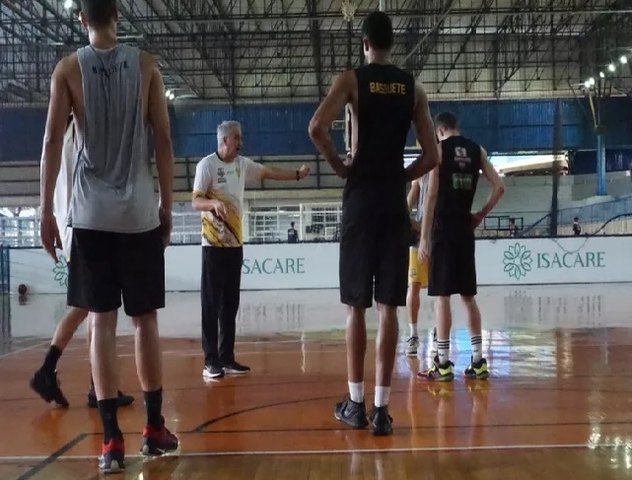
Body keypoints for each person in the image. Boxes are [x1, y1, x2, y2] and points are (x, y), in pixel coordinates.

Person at [38, 0, 179, 472]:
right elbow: (162, 138)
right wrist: (166, 205)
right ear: (118, 12)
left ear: (82, 18)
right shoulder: (145, 65)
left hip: (91, 218)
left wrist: (44, 211)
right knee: (145, 322)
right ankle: (154, 428)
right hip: (138, 215)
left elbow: (53, 142)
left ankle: (110, 442)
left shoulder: (67, 71)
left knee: (101, 323)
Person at [308, 10, 438, 436]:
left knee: (356, 308)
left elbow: (316, 127)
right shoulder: (412, 86)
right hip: (391, 202)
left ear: (364, 43)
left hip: (361, 199)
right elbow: (432, 156)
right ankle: (382, 410)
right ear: (391, 44)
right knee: (389, 308)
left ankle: (356, 403)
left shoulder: (351, 80)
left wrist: (341, 165)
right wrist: (402, 176)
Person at [31, 115, 134, 410]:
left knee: (91, 309)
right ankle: (47, 370)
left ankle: (97, 385)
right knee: (89, 307)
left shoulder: (62, 138)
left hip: (71, 226)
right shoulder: (81, 132)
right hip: (84, 226)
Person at [192, 120, 310, 379]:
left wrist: (297, 174)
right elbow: (195, 200)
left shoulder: (242, 165)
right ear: (224, 140)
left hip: (235, 246)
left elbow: (268, 172)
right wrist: (212, 203)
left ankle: (226, 357)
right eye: (237, 137)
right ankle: (210, 360)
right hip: (213, 246)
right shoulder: (206, 166)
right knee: (210, 305)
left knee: (230, 304)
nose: (241, 142)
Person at [417, 112, 505, 381]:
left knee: (441, 297)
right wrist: (480, 214)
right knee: (468, 297)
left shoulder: (439, 151)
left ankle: (442, 363)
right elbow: (500, 187)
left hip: (443, 229)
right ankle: (478, 361)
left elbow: (431, 196)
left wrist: (424, 238)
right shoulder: (477, 150)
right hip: (465, 229)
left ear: (440, 130)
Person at [405, 173, 431, 356]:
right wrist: (406, 217)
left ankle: (440, 334)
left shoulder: (446, 162)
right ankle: (413, 335)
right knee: (413, 285)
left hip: (439, 231)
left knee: (441, 290)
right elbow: (412, 196)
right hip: (420, 235)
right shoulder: (423, 167)